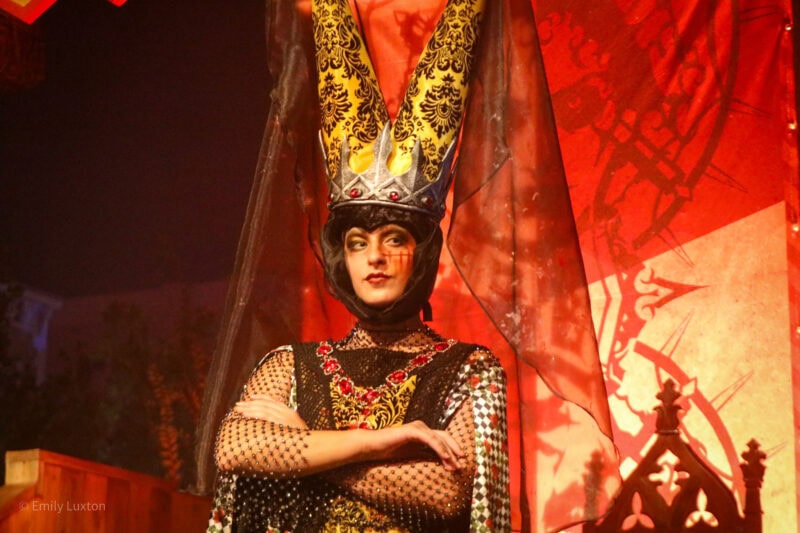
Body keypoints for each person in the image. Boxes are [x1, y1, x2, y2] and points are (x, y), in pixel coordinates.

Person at [207, 0, 510, 531]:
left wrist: (303, 447)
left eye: (394, 238)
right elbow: (234, 447)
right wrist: (379, 442)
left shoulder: (469, 369)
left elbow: (445, 492)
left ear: (422, 253)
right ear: (338, 256)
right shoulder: (291, 364)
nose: (373, 256)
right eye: (356, 242)